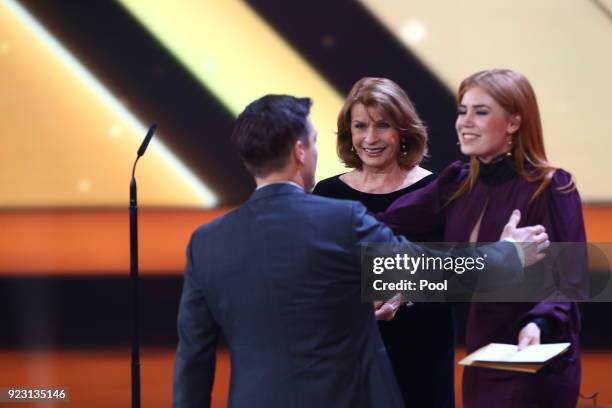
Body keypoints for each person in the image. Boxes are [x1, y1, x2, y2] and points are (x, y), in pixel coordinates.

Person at [172, 94, 548, 408]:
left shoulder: (206, 243)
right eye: (315, 141)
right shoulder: (341, 219)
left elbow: (193, 359)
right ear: (300, 151)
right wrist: (506, 254)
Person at [380, 69, 585, 407]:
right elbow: (384, 225)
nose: (465, 122)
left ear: (514, 122)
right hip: (481, 359)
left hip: (535, 358)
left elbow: (573, 281)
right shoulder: (457, 184)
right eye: (462, 111)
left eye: (481, 111)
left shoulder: (552, 187)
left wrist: (539, 324)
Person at [312, 77, 455, 408]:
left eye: (383, 125)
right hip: (350, 353)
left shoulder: (439, 191)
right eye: (360, 126)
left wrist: (405, 290)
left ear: (403, 130)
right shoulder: (327, 193)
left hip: (421, 352)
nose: (370, 138)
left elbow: (461, 271)